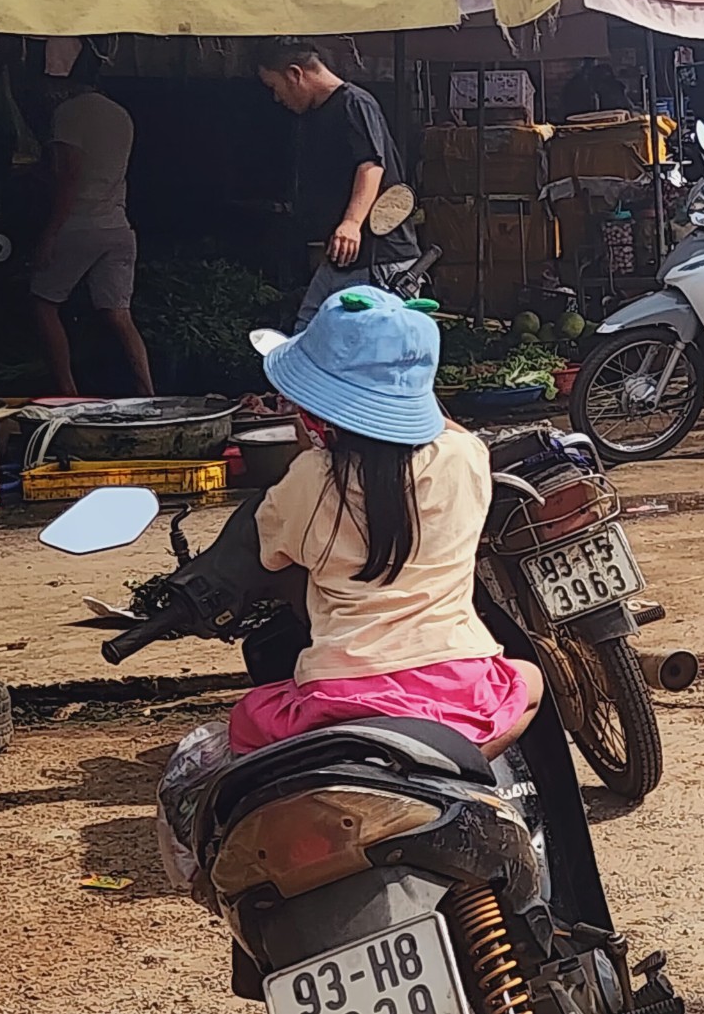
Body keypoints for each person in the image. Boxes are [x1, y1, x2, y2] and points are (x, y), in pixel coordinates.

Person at [227, 287, 542, 757]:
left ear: (314, 413)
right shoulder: (464, 457)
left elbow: (274, 553)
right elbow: (446, 433)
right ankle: (464, 765)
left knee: (246, 721)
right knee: (530, 680)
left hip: (339, 696)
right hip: (460, 686)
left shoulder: (310, 478)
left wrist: (308, 440)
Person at [253, 40, 421, 330]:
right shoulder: (314, 115)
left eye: (274, 87)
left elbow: (371, 166)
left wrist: (352, 224)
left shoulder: (354, 103)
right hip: (341, 260)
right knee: (308, 330)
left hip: (377, 258)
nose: (276, 98)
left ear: (295, 74)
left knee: (360, 346)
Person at [28, 38, 153, 396]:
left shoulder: (68, 114)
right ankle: (149, 392)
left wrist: (50, 234)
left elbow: (70, 177)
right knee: (119, 315)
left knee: (44, 304)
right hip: (118, 226)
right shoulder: (119, 114)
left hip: (80, 224)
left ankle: (68, 393)